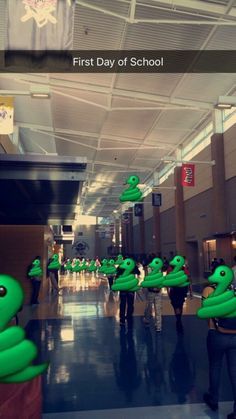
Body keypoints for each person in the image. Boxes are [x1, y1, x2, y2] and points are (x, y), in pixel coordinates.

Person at [201, 276, 236, 419]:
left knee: (215, 366)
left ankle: (213, 399)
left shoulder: (208, 290)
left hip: (216, 334)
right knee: (234, 371)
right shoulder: (233, 291)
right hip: (234, 336)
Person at [167, 257, 191, 333]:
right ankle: (179, 318)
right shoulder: (184, 269)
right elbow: (188, 280)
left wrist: (168, 290)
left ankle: (178, 318)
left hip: (174, 290)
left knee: (176, 305)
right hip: (182, 290)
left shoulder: (170, 269)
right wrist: (191, 292)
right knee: (179, 304)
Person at [117, 260, 140, 328]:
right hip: (131, 288)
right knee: (130, 303)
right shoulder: (133, 266)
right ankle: (129, 316)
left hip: (123, 288)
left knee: (123, 303)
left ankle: (122, 319)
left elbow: (117, 274)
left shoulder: (121, 266)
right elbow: (138, 273)